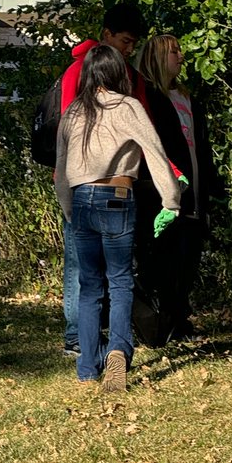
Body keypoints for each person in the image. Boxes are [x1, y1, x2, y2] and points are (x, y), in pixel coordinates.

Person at [55, 45, 181, 393]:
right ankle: (118, 351)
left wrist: (68, 208)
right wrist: (171, 199)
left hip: (81, 200)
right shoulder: (128, 106)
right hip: (118, 196)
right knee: (121, 281)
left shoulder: (74, 111)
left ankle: (86, 367)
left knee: (90, 285)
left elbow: (61, 170)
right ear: (117, 73)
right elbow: (155, 152)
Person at [58, 1, 148, 357]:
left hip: (81, 186)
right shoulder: (79, 72)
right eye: (125, 41)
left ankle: (88, 345)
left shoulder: (129, 75)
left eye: (132, 45)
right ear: (106, 34)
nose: (128, 50)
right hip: (99, 183)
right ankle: (85, 339)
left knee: (91, 274)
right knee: (98, 271)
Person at [134, 33, 219, 343]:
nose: (181, 57)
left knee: (188, 258)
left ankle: (179, 319)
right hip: (162, 194)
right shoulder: (149, 100)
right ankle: (160, 324)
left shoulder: (187, 98)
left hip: (194, 192)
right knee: (163, 259)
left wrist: (211, 185)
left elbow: (201, 146)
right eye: (174, 52)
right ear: (158, 57)